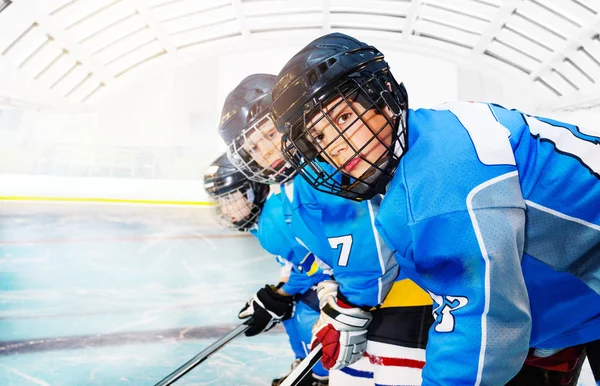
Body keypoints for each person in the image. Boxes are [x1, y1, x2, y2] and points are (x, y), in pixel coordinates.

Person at [270, 32, 600, 385]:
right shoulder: (424, 148)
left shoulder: (441, 174)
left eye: (344, 118)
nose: (336, 146)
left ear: (382, 97)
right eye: (319, 137)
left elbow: (482, 325)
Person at [219, 74, 434, 386]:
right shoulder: (293, 187)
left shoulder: (325, 171)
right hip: (378, 300)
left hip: (404, 301)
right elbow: (330, 257)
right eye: (253, 146)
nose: (265, 151)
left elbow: (369, 251)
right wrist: (328, 288)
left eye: (268, 134)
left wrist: (347, 305)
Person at [204, 153, 330, 386]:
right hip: (326, 275)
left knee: (305, 312)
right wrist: (281, 292)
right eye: (220, 201)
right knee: (289, 310)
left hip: (340, 277)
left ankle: (323, 377)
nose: (225, 208)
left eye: (231, 197)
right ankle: (305, 368)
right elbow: (291, 263)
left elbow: (315, 264)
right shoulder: (264, 219)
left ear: (252, 189)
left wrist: (282, 294)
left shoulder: (272, 220)